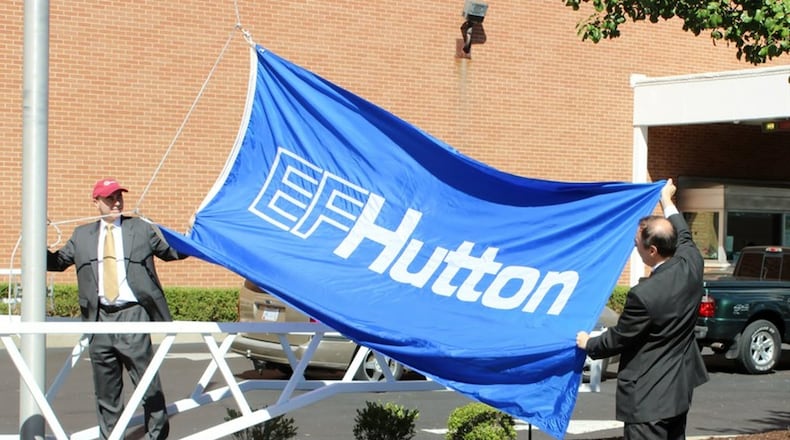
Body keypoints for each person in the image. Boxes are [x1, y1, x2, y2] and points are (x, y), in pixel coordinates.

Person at [47, 178, 188, 440]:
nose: (117, 202)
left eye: (119, 196)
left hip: (132, 314)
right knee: (106, 391)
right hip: (99, 319)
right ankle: (111, 437)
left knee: (147, 385)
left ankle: (156, 435)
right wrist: (35, 239)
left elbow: (172, 252)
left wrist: (192, 236)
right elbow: (57, 262)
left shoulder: (141, 229)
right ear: (96, 202)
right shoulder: (81, 235)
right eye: (110, 198)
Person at [576, 178, 709, 440]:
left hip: (648, 400)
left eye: (637, 244)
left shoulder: (643, 295)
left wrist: (588, 342)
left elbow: (620, 337)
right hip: (678, 393)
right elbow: (683, 233)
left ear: (652, 250)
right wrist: (666, 200)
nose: (634, 247)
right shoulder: (692, 263)